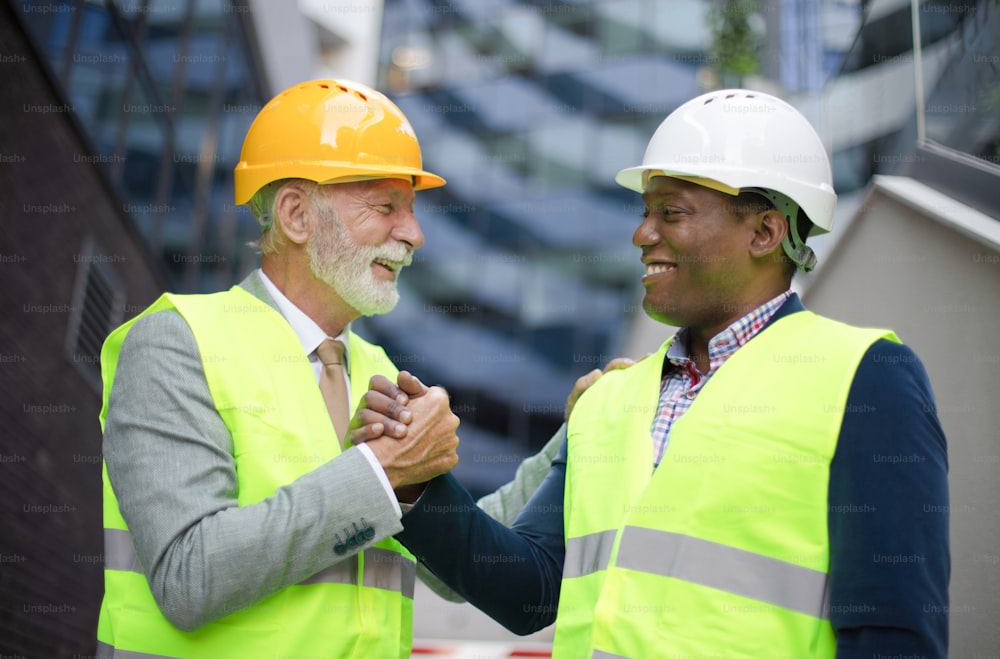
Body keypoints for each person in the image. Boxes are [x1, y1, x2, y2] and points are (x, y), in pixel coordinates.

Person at [361, 89, 951, 657]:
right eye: (646, 213)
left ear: (765, 232)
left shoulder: (864, 376)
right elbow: (529, 592)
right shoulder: (609, 399)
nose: (642, 235)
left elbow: (891, 631)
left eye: (672, 213)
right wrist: (414, 482)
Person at [97, 77, 561, 658]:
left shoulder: (377, 368)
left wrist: (568, 442)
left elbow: (449, 569)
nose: (414, 235)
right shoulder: (176, 344)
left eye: (411, 211)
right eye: (386, 206)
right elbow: (190, 577)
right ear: (296, 215)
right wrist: (381, 472)